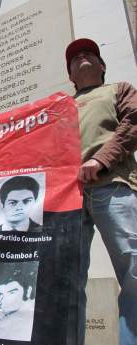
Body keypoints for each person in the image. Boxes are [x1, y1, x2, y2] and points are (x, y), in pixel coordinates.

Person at [65, 38, 137, 345]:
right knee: (65, 279)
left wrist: (101, 158)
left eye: (89, 53)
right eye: (75, 56)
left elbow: (134, 121)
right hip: (67, 201)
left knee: (134, 265)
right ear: (70, 74)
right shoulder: (60, 106)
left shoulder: (119, 89)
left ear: (102, 66)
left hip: (113, 186)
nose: (82, 56)